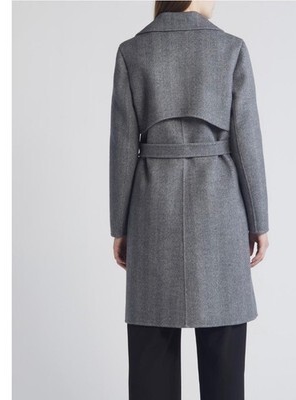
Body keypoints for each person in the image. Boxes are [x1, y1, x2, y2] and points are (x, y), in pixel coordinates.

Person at [109, 1, 270, 399]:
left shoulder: (132, 51)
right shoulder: (231, 49)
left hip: (152, 212)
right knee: (224, 364)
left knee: (150, 360)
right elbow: (247, 142)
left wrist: (120, 225)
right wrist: (259, 221)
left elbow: (123, 147)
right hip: (219, 211)